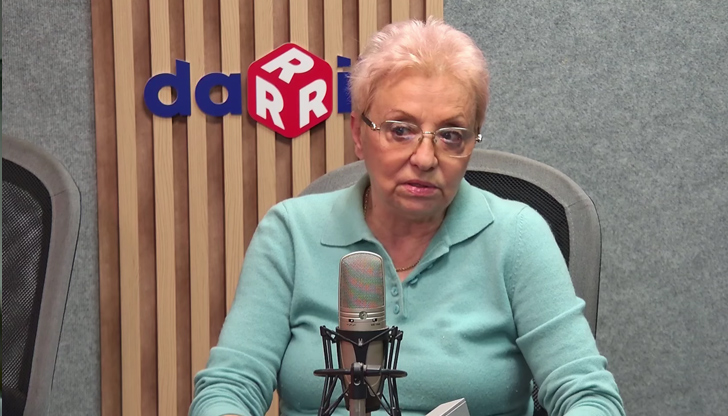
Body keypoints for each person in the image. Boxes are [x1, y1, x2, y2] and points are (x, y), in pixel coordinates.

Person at [189, 18, 625, 416]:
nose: (425, 158)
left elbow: (590, 397)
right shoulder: (291, 232)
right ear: (359, 134)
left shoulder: (518, 235)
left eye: (451, 135)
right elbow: (229, 388)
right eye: (400, 130)